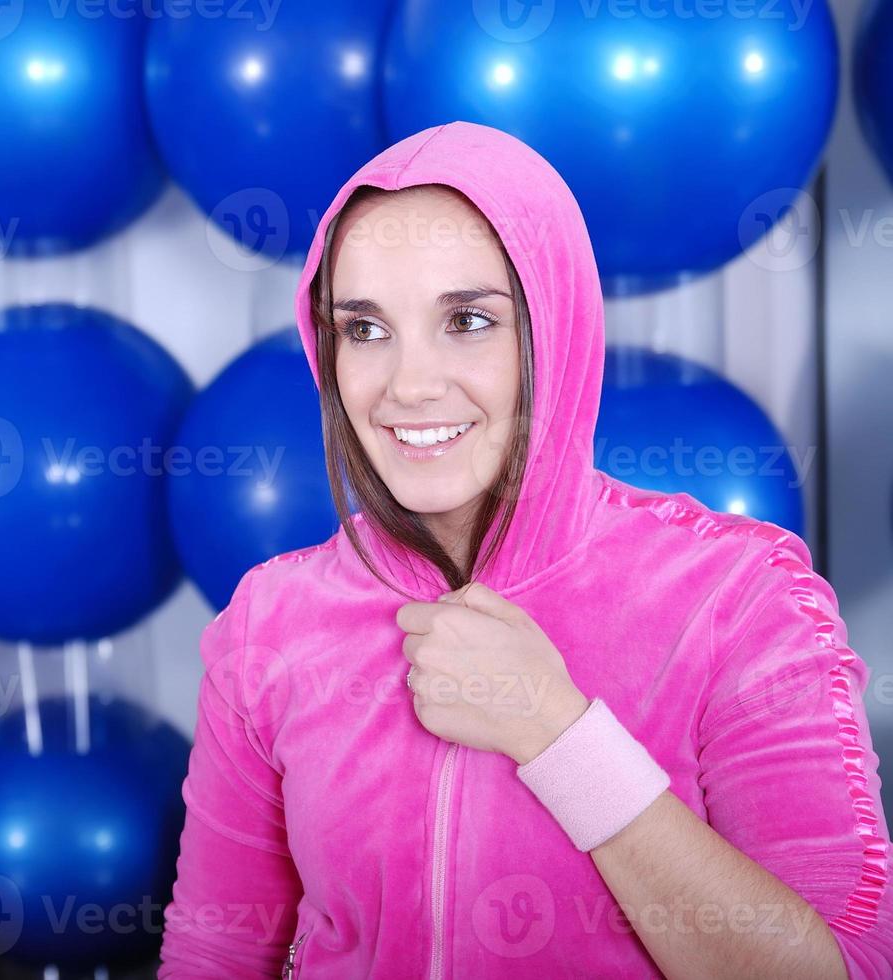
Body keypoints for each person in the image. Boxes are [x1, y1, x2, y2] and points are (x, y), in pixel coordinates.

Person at [156, 121, 893, 979]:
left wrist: (556, 733)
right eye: (363, 329)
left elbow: (845, 967)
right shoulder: (272, 619)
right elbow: (214, 953)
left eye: (467, 320)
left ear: (556, 329)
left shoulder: (738, 595)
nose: (410, 384)